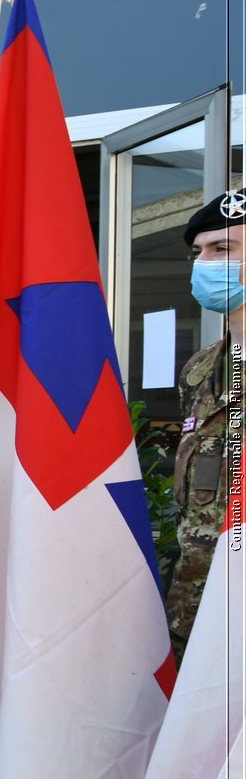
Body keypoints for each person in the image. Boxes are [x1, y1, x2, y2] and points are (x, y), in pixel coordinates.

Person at [167, 189, 246, 663]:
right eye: (199, 252)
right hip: (194, 616)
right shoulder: (199, 372)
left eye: (224, 249)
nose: (206, 262)